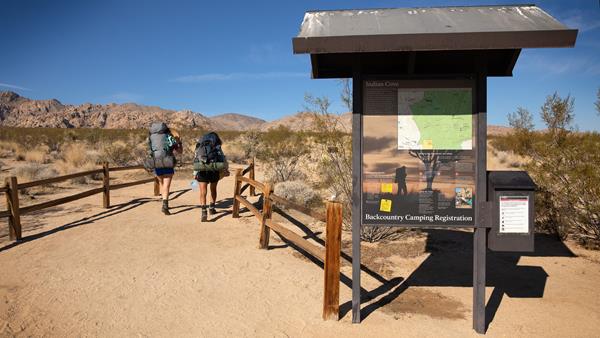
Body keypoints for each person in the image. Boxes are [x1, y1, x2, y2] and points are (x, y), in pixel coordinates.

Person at [193, 132, 229, 222]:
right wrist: (225, 170)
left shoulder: (200, 145)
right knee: (213, 189)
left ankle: (203, 211)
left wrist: (195, 173)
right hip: (214, 169)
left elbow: (196, 159)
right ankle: (212, 208)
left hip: (202, 170)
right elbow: (222, 158)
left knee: (203, 192)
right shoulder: (217, 146)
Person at [147, 122, 182, 215]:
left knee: (162, 183)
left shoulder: (151, 137)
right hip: (167, 161)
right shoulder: (168, 136)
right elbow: (179, 151)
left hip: (156, 162)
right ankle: (165, 206)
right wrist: (179, 142)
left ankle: (164, 202)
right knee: (166, 185)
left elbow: (150, 150)